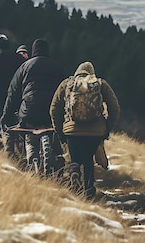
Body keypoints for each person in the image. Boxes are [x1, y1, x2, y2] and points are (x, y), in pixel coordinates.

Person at [50, 61, 120, 200]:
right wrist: (106, 129)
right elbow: (115, 108)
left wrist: (60, 132)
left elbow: (54, 109)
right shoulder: (100, 84)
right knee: (88, 159)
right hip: (95, 132)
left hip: (71, 131)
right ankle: (89, 190)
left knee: (74, 158)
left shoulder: (67, 84)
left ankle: (74, 171)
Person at [1, 38, 66, 167]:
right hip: (50, 113)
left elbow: (12, 93)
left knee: (30, 138)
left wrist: (6, 115)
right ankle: (57, 159)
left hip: (28, 111)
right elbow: (65, 92)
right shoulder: (57, 67)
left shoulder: (24, 66)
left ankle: (32, 162)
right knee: (53, 133)